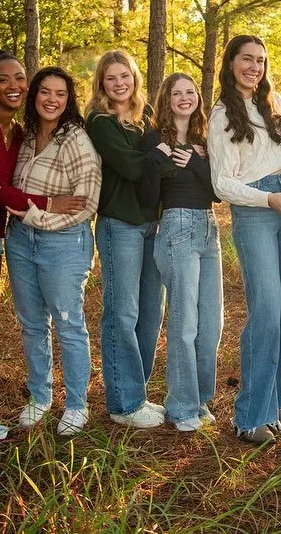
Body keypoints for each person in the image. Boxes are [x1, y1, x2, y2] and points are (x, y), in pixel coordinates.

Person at [0, 49, 85, 444]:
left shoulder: (18, 132)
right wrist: (48, 204)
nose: (13, 86)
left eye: (20, 78)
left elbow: (14, 185)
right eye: (3, 79)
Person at [208, 34, 281, 444]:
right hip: (257, 210)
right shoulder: (221, 115)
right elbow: (222, 183)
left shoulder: (275, 103)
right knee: (265, 312)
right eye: (246, 59)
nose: (255, 67)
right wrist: (268, 198)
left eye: (261, 60)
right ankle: (250, 416)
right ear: (231, 63)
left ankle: (277, 403)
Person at [6, 66, 101, 436]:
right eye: (45, 92)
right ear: (34, 96)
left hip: (62, 243)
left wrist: (37, 216)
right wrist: (32, 215)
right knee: (32, 324)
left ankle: (77, 404)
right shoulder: (26, 136)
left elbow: (87, 202)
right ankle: (40, 397)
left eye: (60, 94)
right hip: (19, 241)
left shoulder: (76, 140)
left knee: (68, 324)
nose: (52, 99)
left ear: (69, 99)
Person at [85, 50, 167, 428]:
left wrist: (161, 153)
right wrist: (163, 154)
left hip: (153, 224)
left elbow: (158, 161)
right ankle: (122, 404)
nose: (120, 84)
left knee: (151, 313)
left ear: (134, 78)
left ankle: (138, 394)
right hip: (121, 224)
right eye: (111, 78)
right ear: (102, 83)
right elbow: (134, 168)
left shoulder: (145, 116)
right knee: (123, 312)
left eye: (125, 76)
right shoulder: (101, 122)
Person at [138, 73, 223, 432]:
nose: (185, 98)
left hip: (209, 227)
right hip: (176, 227)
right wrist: (160, 161)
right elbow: (146, 196)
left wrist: (196, 162)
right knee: (184, 321)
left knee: (212, 322)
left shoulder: (206, 139)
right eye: (177, 93)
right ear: (166, 99)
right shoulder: (153, 139)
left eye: (190, 92)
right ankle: (181, 406)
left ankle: (200, 399)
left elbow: (218, 191)